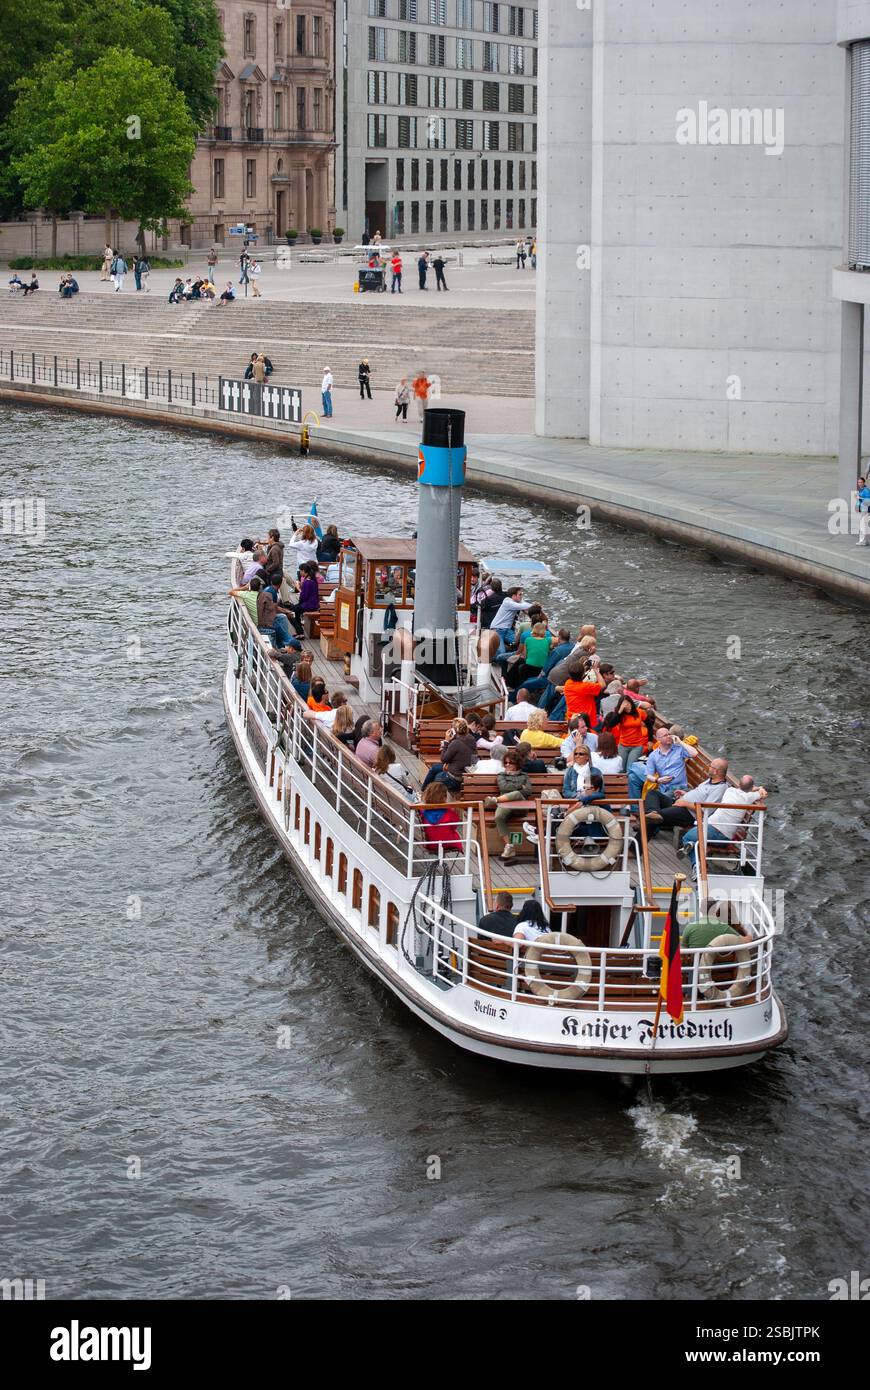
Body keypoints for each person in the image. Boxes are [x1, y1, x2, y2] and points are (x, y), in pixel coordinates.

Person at [680, 775, 768, 874]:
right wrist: (760, 788)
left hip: (714, 829)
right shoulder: (749, 797)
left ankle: (697, 866)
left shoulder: (729, 790)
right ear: (751, 788)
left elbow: (748, 789)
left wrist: (755, 788)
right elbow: (762, 794)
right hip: (723, 834)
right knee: (694, 839)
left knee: (687, 838)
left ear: (739, 784)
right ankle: (694, 851)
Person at [628, 724, 699, 805]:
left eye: (669, 734)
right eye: (665, 735)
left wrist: (679, 741)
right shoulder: (654, 755)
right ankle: (637, 810)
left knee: (653, 797)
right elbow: (648, 775)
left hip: (678, 787)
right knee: (632, 778)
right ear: (658, 739)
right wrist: (657, 780)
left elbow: (694, 753)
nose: (668, 736)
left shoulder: (679, 749)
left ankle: (645, 812)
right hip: (663, 787)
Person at [486, 751, 534, 862]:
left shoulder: (524, 776)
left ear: (517, 764)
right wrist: (519, 787)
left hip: (520, 806)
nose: (507, 765)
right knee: (498, 817)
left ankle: (495, 800)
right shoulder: (501, 775)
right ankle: (509, 846)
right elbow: (503, 786)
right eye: (506, 763)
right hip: (506, 804)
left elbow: (528, 791)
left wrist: (515, 790)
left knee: (517, 794)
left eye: (510, 763)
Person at [421, 718, 478, 793]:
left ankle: (425, 793)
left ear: (453, 730)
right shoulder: (471, 739)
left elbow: (444, 759)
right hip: (464, 774)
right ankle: (423, 792)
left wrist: (446, 741)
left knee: (436, 778)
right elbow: (457, 755)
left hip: (455, 779)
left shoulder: (456, 743)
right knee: (435, 768)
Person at [490, 586, 534, 660]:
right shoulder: (508, 602)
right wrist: (534, 605)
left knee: (520, 641)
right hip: (497, 630)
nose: (521, 596)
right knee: (501, 653)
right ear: (513, 596)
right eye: (520, 595)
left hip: (507, 630)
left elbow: (523, 603)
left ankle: (512, 651)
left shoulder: (516, 601)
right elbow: (522, 606)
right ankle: (493, 657)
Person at [419, 782, 463, 851]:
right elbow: (454, 826)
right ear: (444, 797)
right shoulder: (449, 812)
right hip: (449, 843)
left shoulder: (422, 811)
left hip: (430, 844)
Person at [289, 561, 320, 634]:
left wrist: (298, 588)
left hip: (310, 604)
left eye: (300, 571)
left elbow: (304, 596)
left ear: (303, 571)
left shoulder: (307, 581)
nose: (299, 572)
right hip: (313, 603)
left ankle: (300, 631)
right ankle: (299, 631)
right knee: (295, 609)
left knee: (292, 611)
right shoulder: (312, 579)